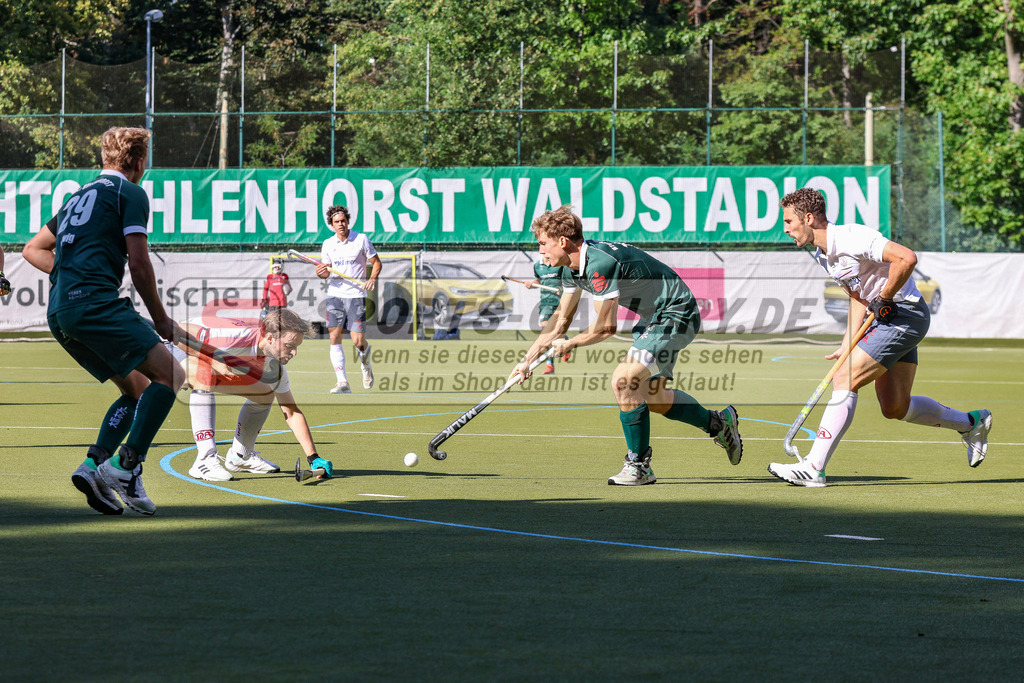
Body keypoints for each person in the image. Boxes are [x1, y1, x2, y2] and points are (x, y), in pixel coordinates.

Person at [767, 187, 992, 487]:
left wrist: (885, 297)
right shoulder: (824, 256)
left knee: (844, 380)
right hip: (885, 318)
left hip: (903, 314)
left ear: (808, 218)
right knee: (895, 407)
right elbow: (858, 297)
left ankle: (814, 467)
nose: (786, 230)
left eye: (789, 222)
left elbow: (906, 258)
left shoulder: (851, 237)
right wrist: (847, 343)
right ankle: (972, 424)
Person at [510, 205, 743, 485]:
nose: (540, 251)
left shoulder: (598, 263)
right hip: (653, 319)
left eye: (542, 243)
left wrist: (570, 343)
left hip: (677, 313)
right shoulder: (569, 270)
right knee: (651, 397)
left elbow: (606, 327)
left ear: (562, 241)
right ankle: (718, 423)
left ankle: (638, 465)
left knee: (623, 380)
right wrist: (527, 360)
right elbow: (560, 319)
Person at [21, 126, 185, 516]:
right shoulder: (129, 193)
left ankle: (94, 466)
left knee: (137, 388)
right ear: (139, 161)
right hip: (95, 306)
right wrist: (161, 318)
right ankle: (127, 466)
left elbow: (32, 249)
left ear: (105, 158)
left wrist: (71, 275)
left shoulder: (78, 196)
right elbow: (139, 262)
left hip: (61, 313)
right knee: (172, 376)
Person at [167, 309, 333, 482]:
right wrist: (213, 359)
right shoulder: (234, 337)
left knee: (264, 392)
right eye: (289, 346)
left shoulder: (274, 367)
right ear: (270, 338)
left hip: (208, 359)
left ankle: (241, 456)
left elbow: (291, 411)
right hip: (173, 347)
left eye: (296, 347)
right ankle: (205, 459)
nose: (294, 353)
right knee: (204, 372)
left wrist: (313, 457)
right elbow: (177, 330)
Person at [316, 205, 381, 394]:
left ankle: (365, 364)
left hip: (356, 295)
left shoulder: (361, 239)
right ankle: (342, 382)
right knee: (334, 336)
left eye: (343, 221)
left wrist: (372, 279)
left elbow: (376, 263)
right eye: (337, 222)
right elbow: (325, 271)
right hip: (335, 294)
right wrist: (320, 272)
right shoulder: (328, 244)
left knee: (358, 341)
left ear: (348, 221)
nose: (341, 224)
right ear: (332, 225)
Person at [525, 259, 571, 375]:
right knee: (546, 328)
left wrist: (564, 288)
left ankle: (551, 364)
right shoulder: (537, 266)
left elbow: (568, 279)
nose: (544, 251)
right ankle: (564, 342)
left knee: (553, 332)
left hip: (561, 301)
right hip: (546, 302)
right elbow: (539, 281)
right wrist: (532, 284)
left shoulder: (559, 263)